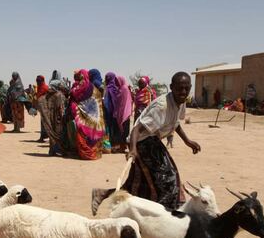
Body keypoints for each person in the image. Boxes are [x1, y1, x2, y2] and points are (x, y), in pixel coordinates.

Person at [92, 72, 201, 211]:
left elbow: (175, 123)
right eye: (180, 88)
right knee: (167, 179)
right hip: (141, 141)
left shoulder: (181, 101)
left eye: (186, 88)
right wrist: (132, 149)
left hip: (153, 140)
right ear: (172, 87)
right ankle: (166, 213)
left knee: (138, 185)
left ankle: (101, 194)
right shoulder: (162, 106)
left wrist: (187, 141)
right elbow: (136, 129)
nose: (183, 92)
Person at [70, 69, 105, 160]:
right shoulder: (93, 86)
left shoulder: (84, 85)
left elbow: (75, 94)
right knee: (92, 133)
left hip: (85, 114)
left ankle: (87, 154)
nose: (80, 78)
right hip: (95, 116)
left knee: (83, 132)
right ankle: (94, 153)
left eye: (81, 76)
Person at [37, 70, 69, 156]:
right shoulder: (59, 93)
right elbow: (61, 106)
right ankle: (58, 150)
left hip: (50, 112)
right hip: (58, 113)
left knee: (51, 128)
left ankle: (52, 150)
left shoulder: (49, 91)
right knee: (59, 130)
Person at [111, 76, 132, 153]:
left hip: (124, 114)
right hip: (120, 113)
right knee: (121, 132)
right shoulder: (121, 89)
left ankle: (121, 147)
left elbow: (123, 104)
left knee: (123, 132)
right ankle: (121, 147)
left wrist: (120, 114)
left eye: (117, 81)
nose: (116, 83)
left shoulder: (124, 89)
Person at [36, 75, 49, 142]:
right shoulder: (39, 88)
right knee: (42, 122)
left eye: (39, 81)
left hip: (46, 108)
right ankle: (42, 137)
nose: (37, 82)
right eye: (37, 81)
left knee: (46, 123)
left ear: (42, 81)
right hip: (41, 108)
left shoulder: (46, 88)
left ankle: (47, 137)